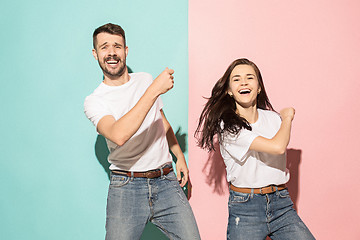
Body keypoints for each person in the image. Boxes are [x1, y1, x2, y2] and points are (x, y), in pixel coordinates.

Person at [84, 23, 200, 240]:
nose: (111, 53)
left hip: (165, 181)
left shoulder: (144, 79)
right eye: (104, 47)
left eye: (117, 46)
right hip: (126, 187)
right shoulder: (94, 101)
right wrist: (154, 90)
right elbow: (119, 135)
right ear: (95, 53)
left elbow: (161, 121)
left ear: (126, 51)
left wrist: (179, 156)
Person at [195, 58, 315, 240]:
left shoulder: (273, 119)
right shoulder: (228, 127)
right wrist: (288, 118)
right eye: (236, 79)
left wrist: (282, 121)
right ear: (229, 91)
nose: (243, 82)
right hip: (246, 208)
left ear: (258, 87)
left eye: (250, 77)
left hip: (281, 203)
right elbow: (278, 147)